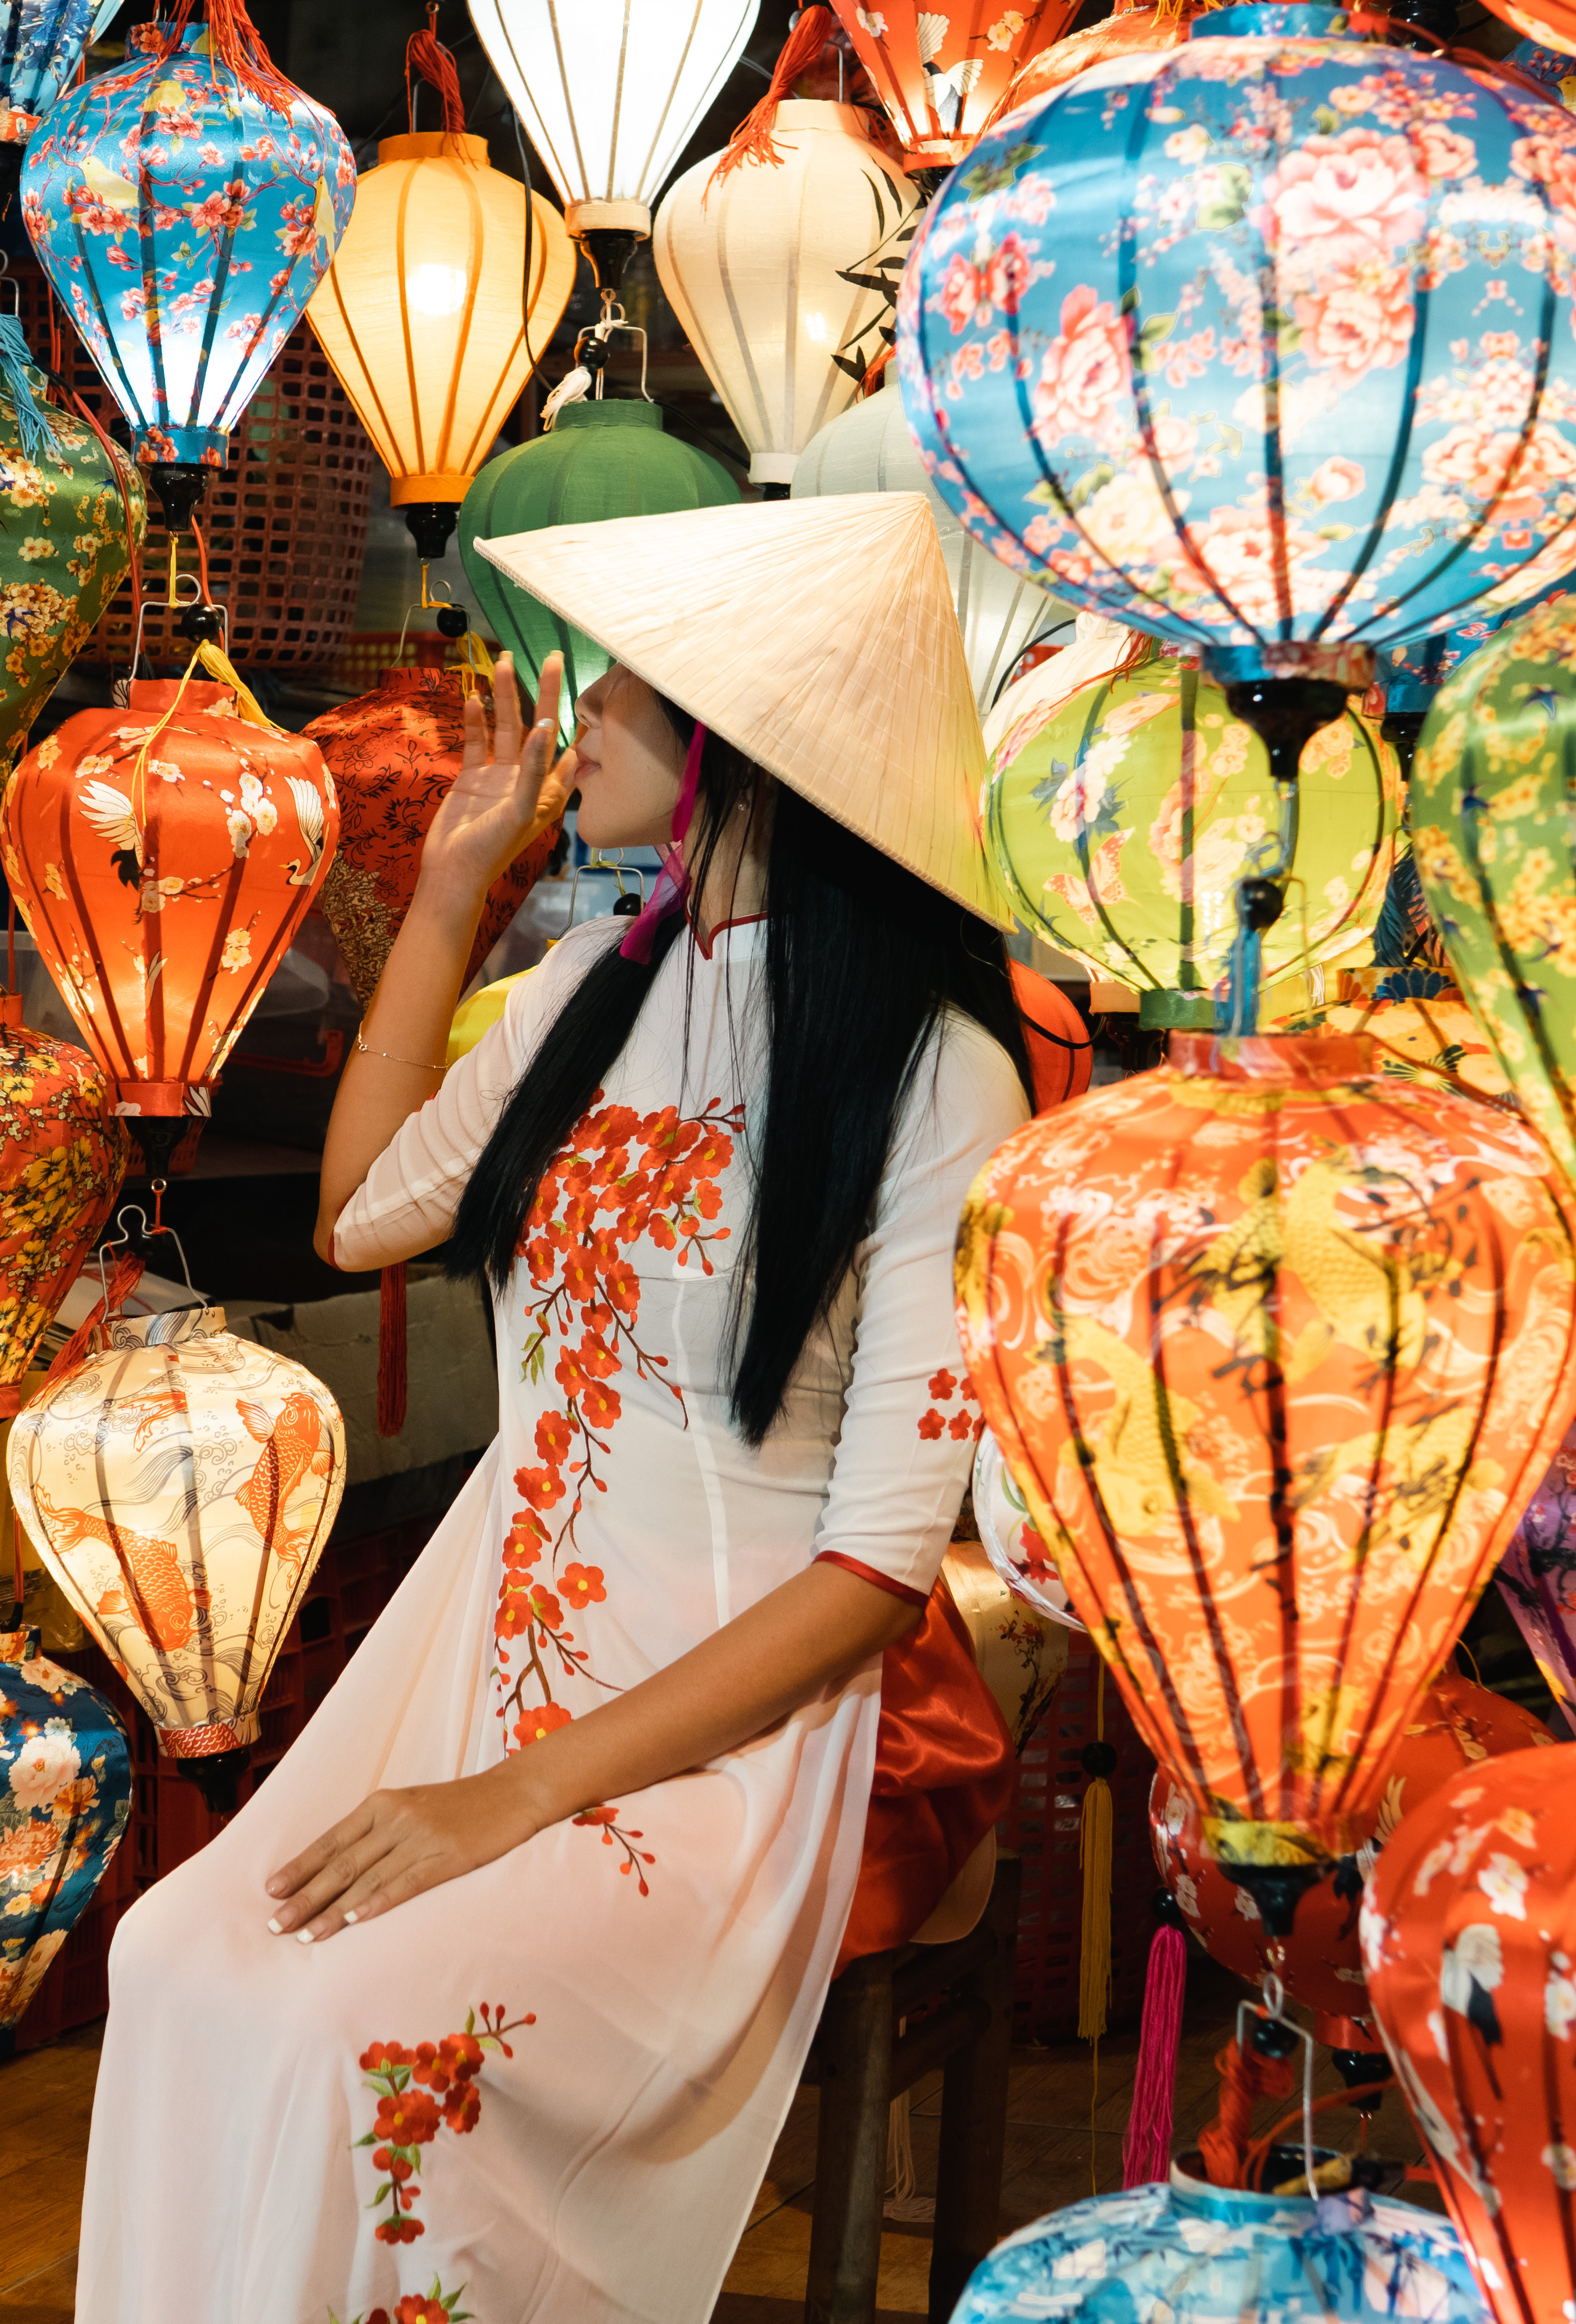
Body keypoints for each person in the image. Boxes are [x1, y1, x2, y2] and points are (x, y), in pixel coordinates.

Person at [77, 495, 1032, 2321]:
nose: (569, 732)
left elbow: (877, 1571)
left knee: (360, 2036)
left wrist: (508, 1803)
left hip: (727, 1734)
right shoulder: (592, 988)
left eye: (618, 700)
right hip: (478, 1660)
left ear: (734, 755)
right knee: (184, 1957)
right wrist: (451, 896)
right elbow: (361, 1212)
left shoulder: (939, 1072)